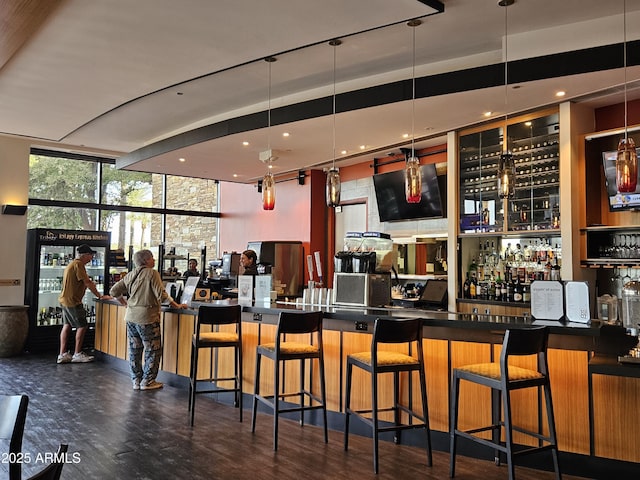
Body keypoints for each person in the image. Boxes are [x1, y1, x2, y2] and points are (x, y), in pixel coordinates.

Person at [109, 249, 188, 391]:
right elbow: (162, 294)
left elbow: (114, 291)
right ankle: (148, 381)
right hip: (147, 317)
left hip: (131, 317)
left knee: (135, 349)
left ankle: (136, 380)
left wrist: (124, 303)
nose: (154, 260)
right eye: (152, 258)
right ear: (146, 260)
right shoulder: (152, 273)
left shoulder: (131, 274)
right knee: (153, 349)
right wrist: (177, 305)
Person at [57, 244, 109, 364]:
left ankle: (63, 354)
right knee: (82, 326)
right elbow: (87, 282)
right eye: (90, 255)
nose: (91, 258)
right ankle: (77, 354)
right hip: (73, 301)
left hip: (65, 300)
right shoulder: (79, 264)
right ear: (85, 255)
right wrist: (100, 295)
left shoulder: (72, 264)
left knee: (67, 325)